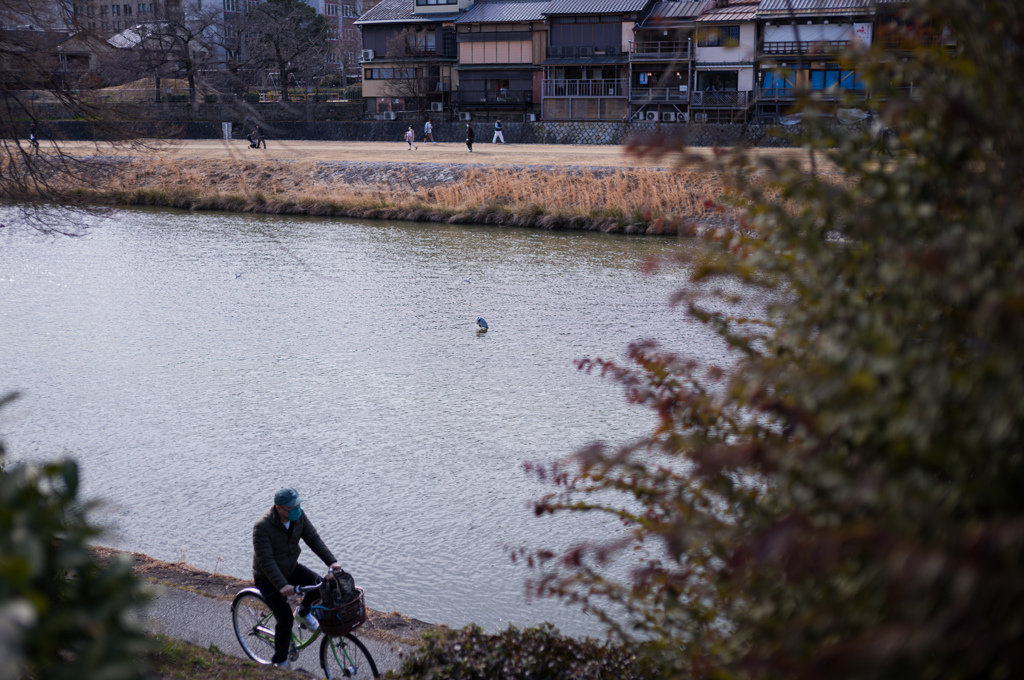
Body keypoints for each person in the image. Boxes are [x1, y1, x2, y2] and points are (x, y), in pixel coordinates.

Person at [253, 487, 344, 669]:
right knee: (285, 619)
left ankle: (302, 612)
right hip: (268, 579)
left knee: (321, 584)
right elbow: (266, 561)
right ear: (279, 508)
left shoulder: (298, 517)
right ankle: (279, 661)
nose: (297, 510)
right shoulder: (262, 527)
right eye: (292, 507)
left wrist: (331, 562)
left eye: (299, 506)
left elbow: (313, 539)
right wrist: (282, 585)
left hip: (290, 568)